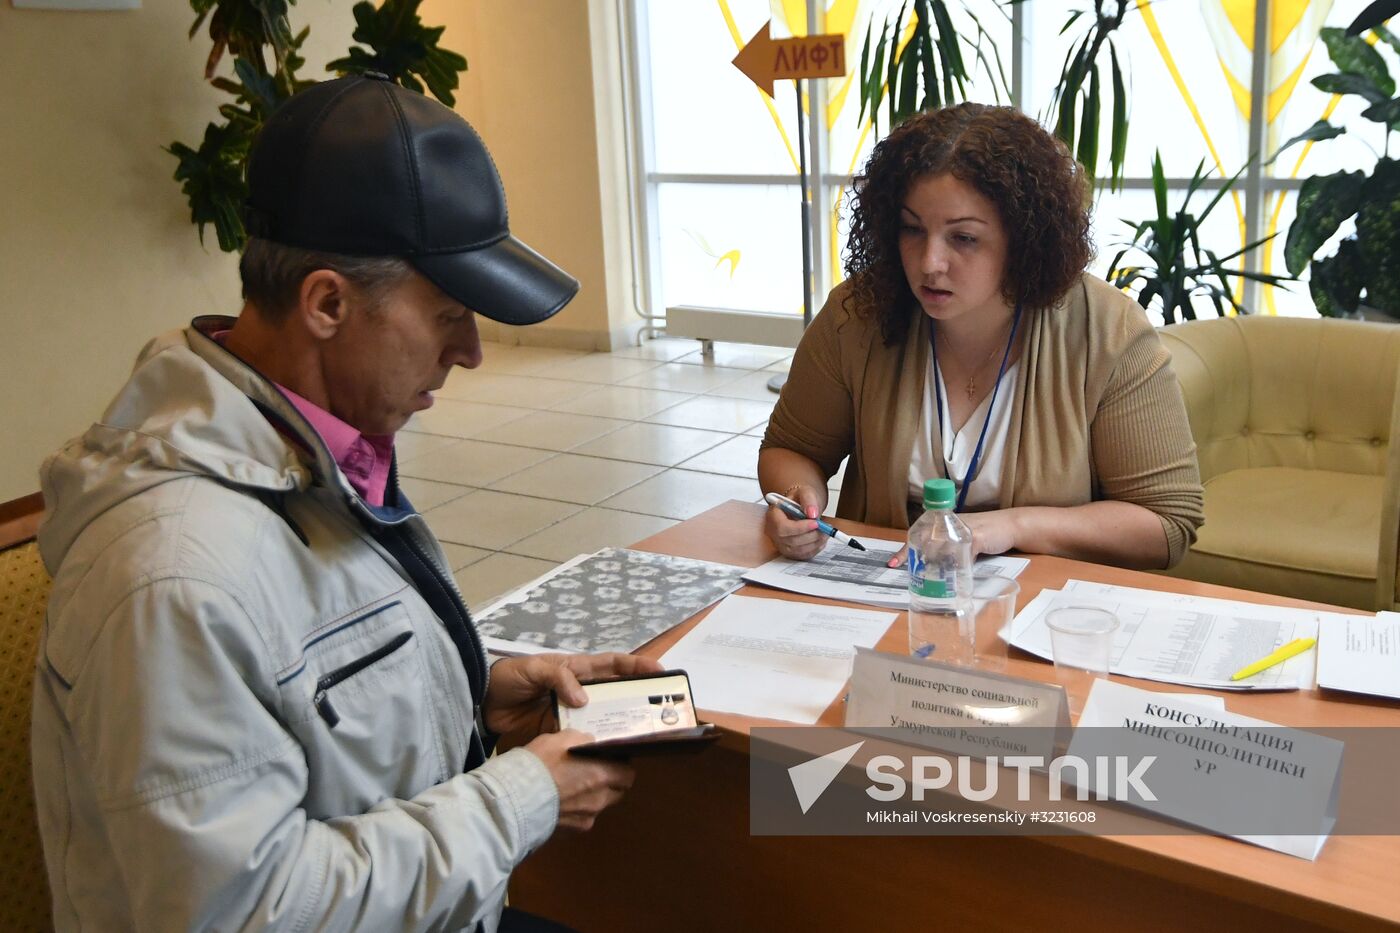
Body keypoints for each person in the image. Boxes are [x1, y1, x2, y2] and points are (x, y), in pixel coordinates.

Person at [32, 74, 656, 932]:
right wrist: (519, 799)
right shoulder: (171, 580)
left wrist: (474, 689)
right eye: (447, 316)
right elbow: (245, 911)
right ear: (327, 301)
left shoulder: (305, 455)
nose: (471, 352)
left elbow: (307, 692)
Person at [760, 103, 1204, 569]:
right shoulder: (860, 313)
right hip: (887, 596)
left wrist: (1009, 527)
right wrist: (799, 498)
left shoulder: (1110, 333)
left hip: (1042, 612)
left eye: (964, 238)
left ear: (1025, 239)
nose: (929, 262)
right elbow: (792, 448)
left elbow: (1166, 523)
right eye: (912, 229)